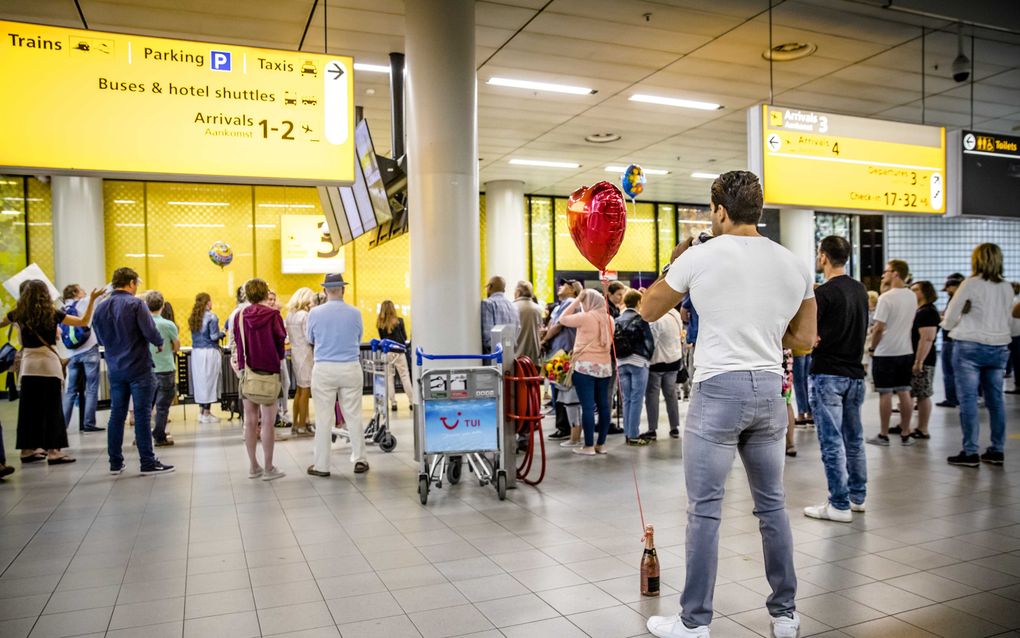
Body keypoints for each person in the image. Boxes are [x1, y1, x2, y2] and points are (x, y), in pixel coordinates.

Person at [640, 170, 815, 638]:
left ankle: (695, 621)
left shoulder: (699, 255)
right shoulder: (793, 262)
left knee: (705, 510)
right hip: (769, 391)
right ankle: (785, 614)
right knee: (772, 506)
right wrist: (763, 327)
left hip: (718, 390)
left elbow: (648, 309)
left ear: (719, 210)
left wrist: (676, 260)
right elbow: (806, 340)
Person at [803, 236, 869, 523]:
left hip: (829, 373)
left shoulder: (824, 294)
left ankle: (838, 504)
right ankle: (857, 497)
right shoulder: (860, 290)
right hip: (856, 374)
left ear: (823, 257)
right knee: (854, 439)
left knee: (831, 442)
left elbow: (811, 337)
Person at [1, 280, 101, 464]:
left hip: (29, 367)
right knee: (52, 409)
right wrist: (92, 300)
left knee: (28, 410)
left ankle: (26, 450)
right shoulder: (52, 313)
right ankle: (54, 451)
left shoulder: (18, 314)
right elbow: (83, 322)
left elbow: (0, 323)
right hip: (49, 366)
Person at [92, 267, 174, 475]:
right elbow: (150, 331)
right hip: (139, 367)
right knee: (142, 415)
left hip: (115, 368)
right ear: (130, 283)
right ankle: (147, 461)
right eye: (136, 283)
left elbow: (100, 338)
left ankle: (115, 462)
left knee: (116, 415)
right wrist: (158, 342)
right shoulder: (136, 303)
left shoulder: (100, 308)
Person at [942, 243, 1013, 467]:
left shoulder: (970, 284)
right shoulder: (1007, 287)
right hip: (999, 347)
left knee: (969, 400)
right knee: (996, 400)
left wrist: (946, 324)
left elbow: (952, 314)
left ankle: (970, 451)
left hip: (969, 347)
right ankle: (997, 449)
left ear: (977, 260)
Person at [307, 273, 367, 476]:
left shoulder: (314, 313)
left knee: (324, 418)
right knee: (353, 415)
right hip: (350, 366)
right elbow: (359, 337)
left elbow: (310, 338)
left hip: (324, 368)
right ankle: (360, 459)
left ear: (325, 291)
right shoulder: (355, 313)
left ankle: (321, 466)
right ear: (343, 289)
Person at [234, 278, 287, 481]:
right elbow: (280, 341)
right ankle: (268, 467)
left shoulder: (239, 316)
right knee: (267, 422)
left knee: (249, 421)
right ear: (266, 293)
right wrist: (278, 359)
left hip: (248, 373)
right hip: (269, 373)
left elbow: (239, 345)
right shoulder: (274, 315)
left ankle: (253, 466)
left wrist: (241, 368)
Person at [555, 289, 614, 456]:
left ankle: (588, 446)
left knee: (587, 407)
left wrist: (576, 300)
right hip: (605, 367)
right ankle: (601, 444)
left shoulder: (585, 317)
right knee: (604, 406)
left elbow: (563, 318)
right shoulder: (610, 320)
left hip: (584, 367)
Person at [867, 260, 916, 446]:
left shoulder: (886, 298)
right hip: (905, 350)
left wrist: (872, 348)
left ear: (895, 273)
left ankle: (884, 434)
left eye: (886, 271)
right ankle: (905, 432)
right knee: (905, 391)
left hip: (885, 352)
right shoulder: (911, 296)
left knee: (885, 393)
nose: (883, 275)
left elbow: (879, 327)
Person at [60, 284, 104, 433]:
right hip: (89, 350)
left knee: (70, 390)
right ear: (75, 293)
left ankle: (63, 426)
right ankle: (89, 424)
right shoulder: (84, 302)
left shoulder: (62, 309)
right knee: (91, 388)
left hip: (72, 354)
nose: (85, 291)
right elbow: (103, 294)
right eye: (81, 289)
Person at [542, 280, 581, 440]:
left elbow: (558, 325)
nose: (560, 286)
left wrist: (544, 340)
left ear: (572, 290)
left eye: (564, 285)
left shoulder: (570, 303)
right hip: (559, 351)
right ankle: (563, 426)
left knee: (562, 390)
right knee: (558, 388)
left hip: (563, 352)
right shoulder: (563, 304)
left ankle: (564, 427)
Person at [615, 290, 654, 446]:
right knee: (637, 399)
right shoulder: (641, 319)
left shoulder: (617, 319)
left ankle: (627, 433)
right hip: (638, 362)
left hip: (621, 362)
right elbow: (649, 342)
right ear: (639, 303)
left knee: (626, 399)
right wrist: (648, 357)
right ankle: (633, 434)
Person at [645, 304, 684, 440]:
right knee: (671, 395)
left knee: (652, 396)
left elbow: (651, 343)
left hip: (657, 362)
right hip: (674, 360)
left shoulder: (656, 320)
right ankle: (674, 428)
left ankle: (652, 429)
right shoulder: (675, 314)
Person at [146, 291, 179, 447]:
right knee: (162, 407)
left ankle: (142, 436)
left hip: (146, 369)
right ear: (163, 305)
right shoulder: (168, 325)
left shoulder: (143, 323)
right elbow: (176, 345)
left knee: (146, 406)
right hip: (165, 368)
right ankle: (159, 436)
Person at [909, 281, 940, 440]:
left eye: (916, 289)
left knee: (923, 394)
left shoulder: (928, 312)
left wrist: (919, 361)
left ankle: (923, 428)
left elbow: (927, 338)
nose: (912, 292)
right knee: (917, 392)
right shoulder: (920, 310)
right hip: (917, 356)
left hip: (924, 359)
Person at [188, 293, 225, 423]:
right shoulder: (212, 317)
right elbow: (214, 336)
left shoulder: (193, 317)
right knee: (209, 382)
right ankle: (207, 413)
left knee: (201, 383)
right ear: (208, 302)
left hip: (196, 352)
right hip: (209, 352)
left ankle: (201, 412)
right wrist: (223, 332)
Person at [285, 287, 316, 435]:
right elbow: (309, 336)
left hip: (296, 352)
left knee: (299, 389)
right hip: (306, 353)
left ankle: (296, 423)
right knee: (305, 390)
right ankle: (303, 425)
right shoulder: (305, 315)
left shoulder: (290, 315)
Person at [376, 300, 415, 410]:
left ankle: (393, 403)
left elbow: (382, 339)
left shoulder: (380, 323)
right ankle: (412, 401)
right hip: (399, 352)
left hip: (387, 352)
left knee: (389, 378)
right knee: (405, 377)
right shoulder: (400, 321)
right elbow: (405, 337)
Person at [937, 273, 965, 407]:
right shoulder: (962, 300)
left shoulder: (956, 300)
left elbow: (953, 320)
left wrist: (942, 319)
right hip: (955, 339)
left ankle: (952, 398)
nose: (947, 291)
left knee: (949, 371)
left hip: (950, 338)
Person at [480, 276, 519, 354]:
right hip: (510, 356)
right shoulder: (514, 306)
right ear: (504, 289)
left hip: (493, 359)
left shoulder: (488, 304)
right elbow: (517, 332)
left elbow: (487, 338)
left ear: (490, 287)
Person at [513, 281, 543, 365]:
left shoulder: (512, 307)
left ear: (518, 292)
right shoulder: (538, 309)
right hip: (534, 357)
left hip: (517, 358)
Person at [791, 346, 812, 426]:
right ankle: (810, 414)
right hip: (809, 348)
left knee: (798, 382)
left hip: (798, 350)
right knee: (807, 382)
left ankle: (801, 414)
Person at [1006, 283, 1020, 395]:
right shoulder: (1016, 301)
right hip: (1015, 334)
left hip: (1013, 334)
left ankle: (1018, 385)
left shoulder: (1010, 302)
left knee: (1017, 360)